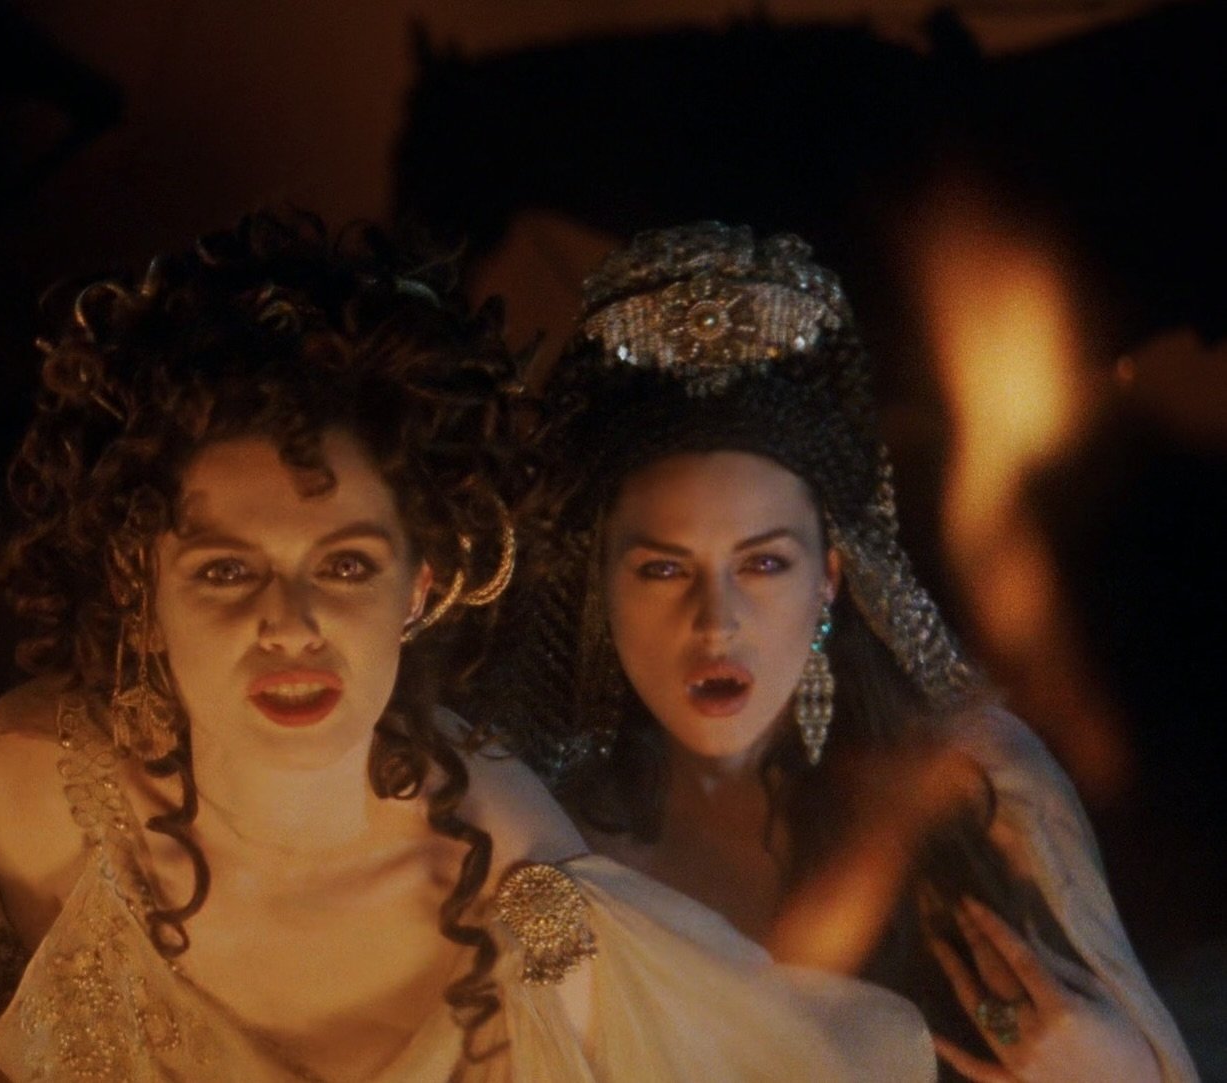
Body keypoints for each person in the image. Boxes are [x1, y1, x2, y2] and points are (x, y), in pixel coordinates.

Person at [0, 211, 934, 1081]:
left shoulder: (517, 887)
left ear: (420, 584)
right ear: (140, 584)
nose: (289, 623)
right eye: (225, 570)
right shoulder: (38, 793)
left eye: (344, 565)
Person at [491, 221, 1196, 1082]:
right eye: (664, 568)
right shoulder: (543, 846)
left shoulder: (981, 790)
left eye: (762, 563)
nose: (715, 622)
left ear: (828, 576)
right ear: (599, 581)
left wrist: (1111, 1068)